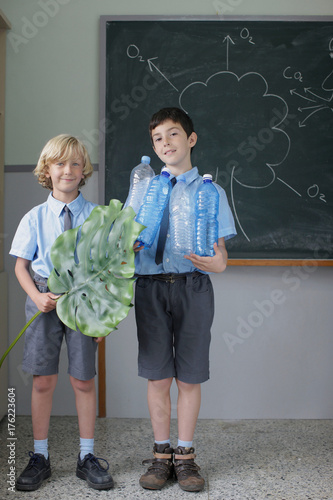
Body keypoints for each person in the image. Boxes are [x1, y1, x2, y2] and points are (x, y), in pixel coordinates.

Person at [129, 107, 237, 492]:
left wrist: (216, 262)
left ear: (190, 139)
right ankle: (161, 457)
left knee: (189, 376)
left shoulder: (211, 191)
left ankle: (186, 457)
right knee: (158, 375)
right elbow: (126, 239)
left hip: (193, 285)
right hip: (150, 287)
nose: (165, 144)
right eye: (158, 138)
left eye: (173, 135)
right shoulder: (142, 187)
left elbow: (222, 258)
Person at [9, 134, 114, 492]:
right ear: (47, 170)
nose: (67, 170)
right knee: (43, 380)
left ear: (83, 169)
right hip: (45, 299)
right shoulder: (34, 217)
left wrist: (102, 317)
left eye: (74, 163)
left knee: (84, 379)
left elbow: (106, 269)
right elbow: (21, 267)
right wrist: (37, 298)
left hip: (84, 301)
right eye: (59, 163)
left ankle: (86, 457)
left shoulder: (98, 216)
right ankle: (40, 456)